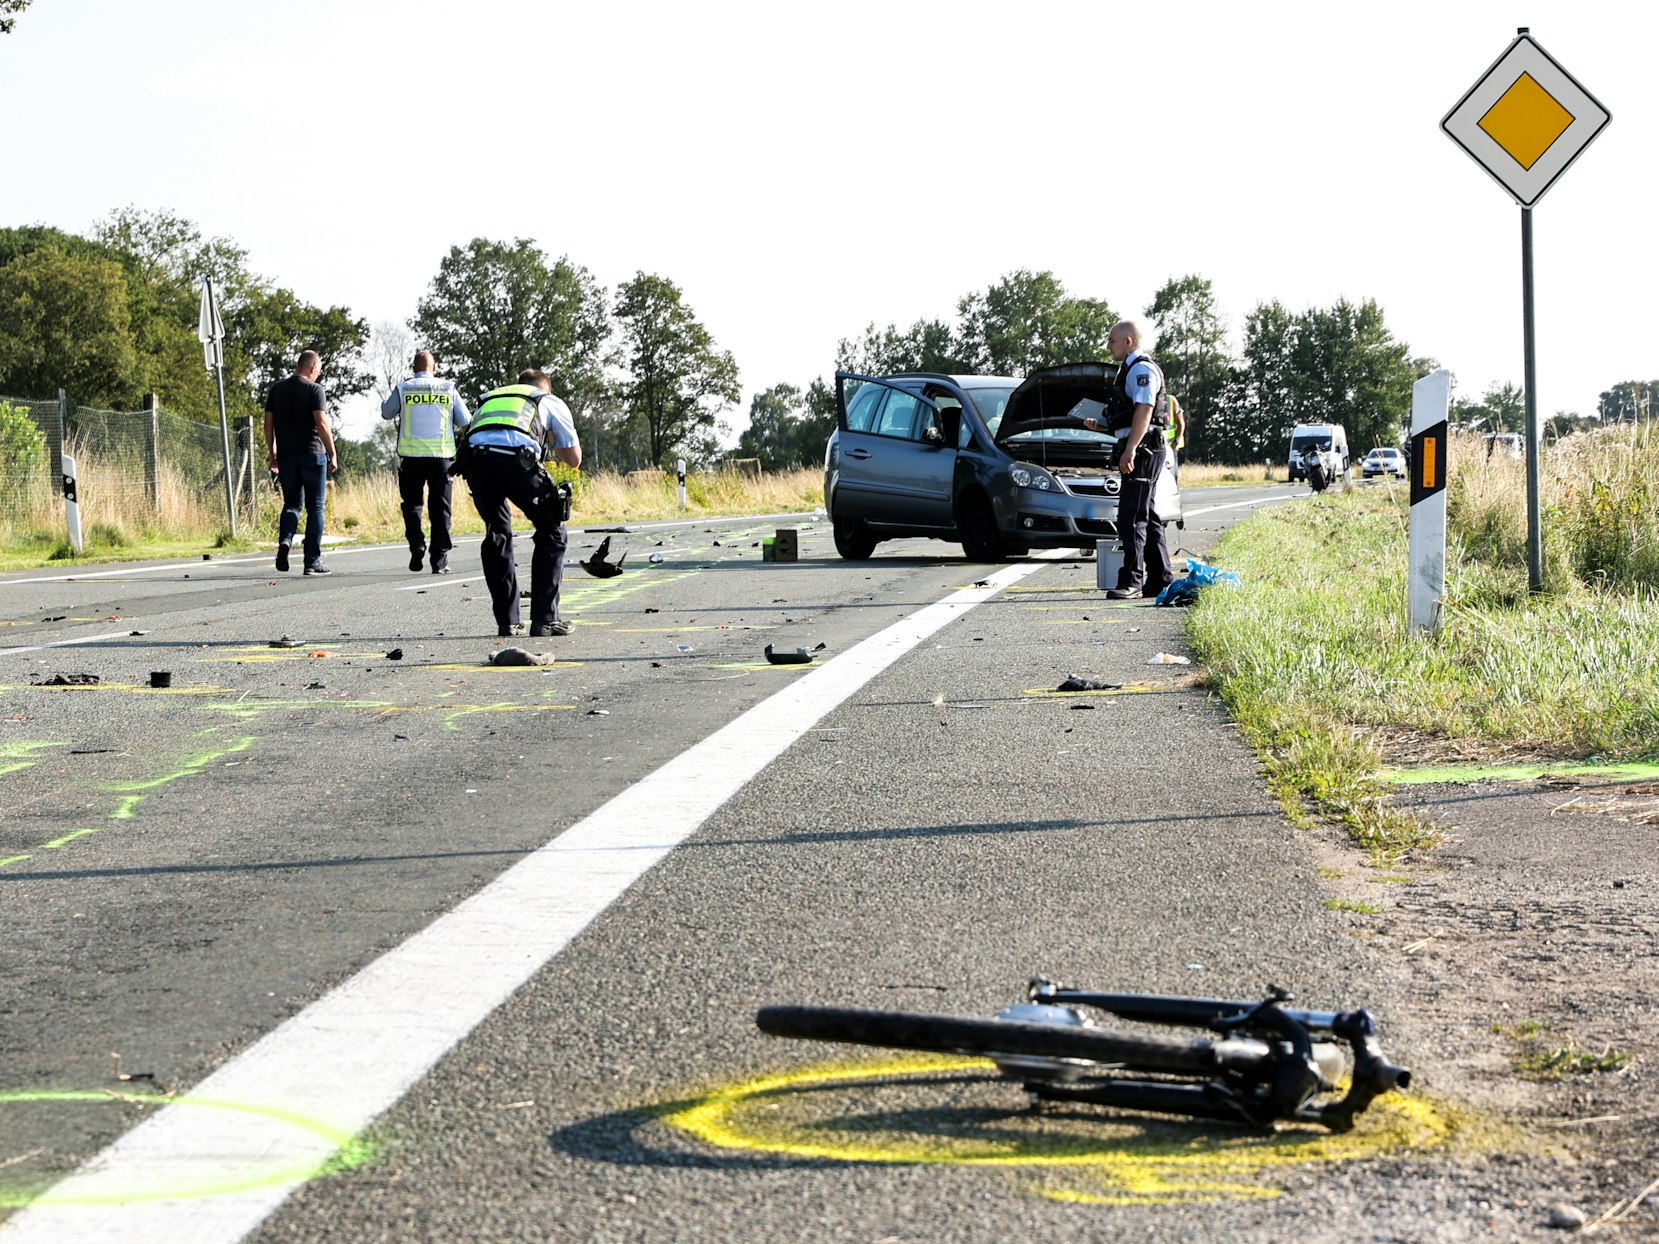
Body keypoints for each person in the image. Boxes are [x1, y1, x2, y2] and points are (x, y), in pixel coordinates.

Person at [458, 369, 582, 637]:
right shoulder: (548, 401)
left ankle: (508, 621)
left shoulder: (490, 398)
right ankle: (545, 618)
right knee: (552, 529)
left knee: (497, 534)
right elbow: (573, 458)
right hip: (517, 461)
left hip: (476, 462)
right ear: (545, 388)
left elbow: (472, 432)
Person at [1081, 320, 1173, 599]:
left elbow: (1144, 411)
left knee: (1131, 516)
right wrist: (1102, 426)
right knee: (1148, 515)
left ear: (1128, 342)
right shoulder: (1129, 371)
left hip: (1144, 449)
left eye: (1112, 341)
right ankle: (1160, 579)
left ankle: (1132, 581)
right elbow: (1129, 415)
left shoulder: (1141, 370)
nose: (1108, 346)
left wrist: (1130, 449)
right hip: (1141, 446)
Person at [381, 350, 470, 573]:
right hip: (441, 458)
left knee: (412, 506)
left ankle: (417, 545)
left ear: (414, 368)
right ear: (435, 367)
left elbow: (386, 413)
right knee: (441, 508)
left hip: (411, 458)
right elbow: (466, 422)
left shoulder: (405, 387)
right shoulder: (448, 389)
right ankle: (439, 560)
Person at [263, 350, 337, 575]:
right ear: (313, 368)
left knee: (292, 504)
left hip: (287, 456)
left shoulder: (277, 389)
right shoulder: (315, 390)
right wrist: (332, 452)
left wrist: (272, 452)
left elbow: (267, 424)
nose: (319, 373)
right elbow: (322, 424)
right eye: (320, 369)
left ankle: (285, 541)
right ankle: (311, 562)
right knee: (315, 507)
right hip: (312, 454)